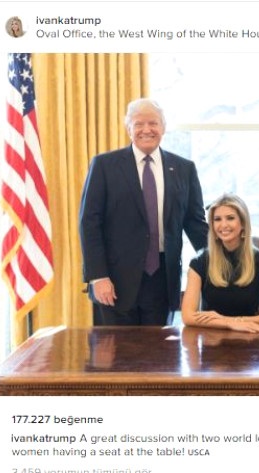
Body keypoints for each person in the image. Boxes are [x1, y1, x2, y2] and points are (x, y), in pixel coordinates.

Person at [79, 98, 208, 325]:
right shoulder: (104, 165)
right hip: (113, 282)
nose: (146, 130)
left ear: (163, 127)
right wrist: (98, 276)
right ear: (128, 128)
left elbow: (195, 224)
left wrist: (222, 261)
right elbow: (89, 224)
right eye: (138, 124)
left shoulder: (184, 169)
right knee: (115, 349)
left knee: (159, 347)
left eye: (153, 123)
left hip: (163, 280)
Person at [182, 193, 259, 333]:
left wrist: (232, 321)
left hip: (251, 337)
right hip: (211, 339)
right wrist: (228, 323)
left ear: (243, 223)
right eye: (217, 219)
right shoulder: (199, 262)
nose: (223, 225)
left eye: (230, 218)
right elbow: (188, 316)